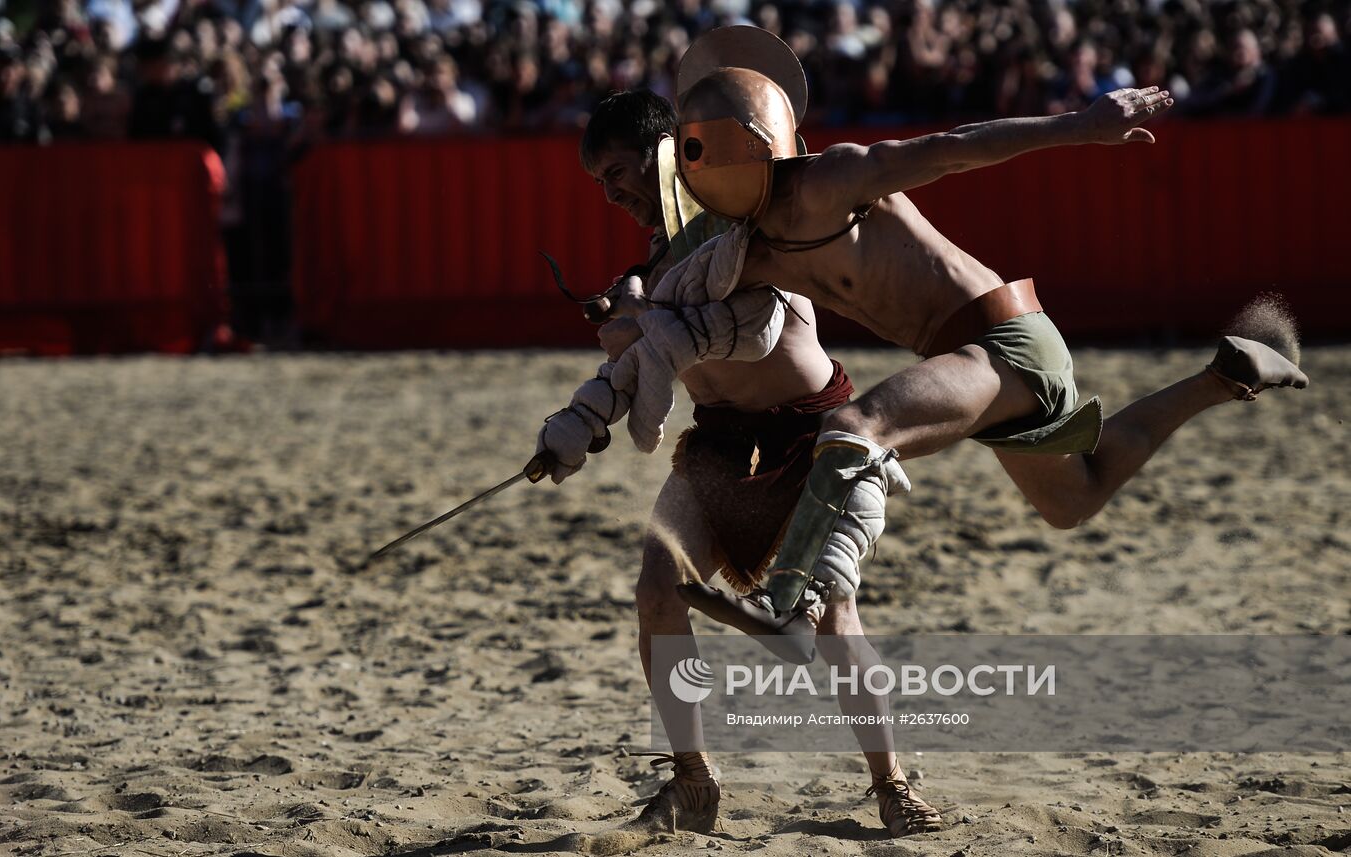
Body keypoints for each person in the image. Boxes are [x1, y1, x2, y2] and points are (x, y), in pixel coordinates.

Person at [537, 28, 1308, 832]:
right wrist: (623, 327)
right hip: (885, 388)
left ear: (702, 148)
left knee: (855, 439)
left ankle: (822, 671)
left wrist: (1079, 123)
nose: (612, 194)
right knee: (1077, 495)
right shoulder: (736, 236)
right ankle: (1223, 377)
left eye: (622, 173)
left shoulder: (816, 184)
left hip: (984, 350)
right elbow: (678, 293)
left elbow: (948, 147)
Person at [569, 88, 948, 837]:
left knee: (834, 619)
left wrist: (639, 313)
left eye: (617, 173)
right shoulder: (660, 256)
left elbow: (724, 308)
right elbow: (664, 324)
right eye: (600, 184)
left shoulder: (752, 219)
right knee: (656, 586)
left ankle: (893, 784)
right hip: (721, 444)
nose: (611, 194)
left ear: (664, 153)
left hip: (814, 436)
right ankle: (693, 780)